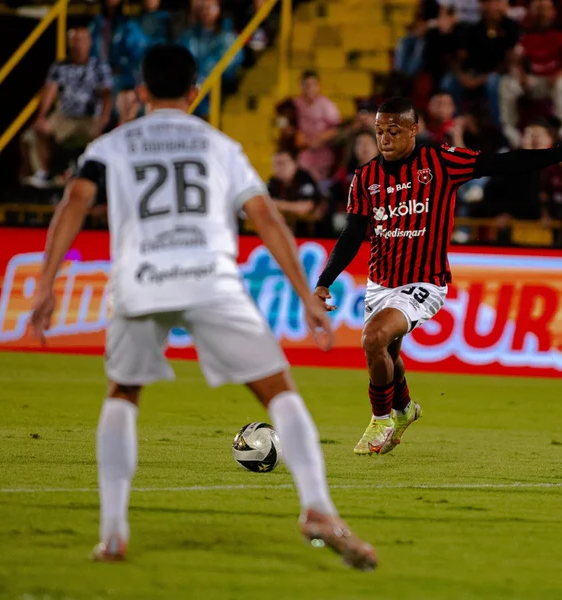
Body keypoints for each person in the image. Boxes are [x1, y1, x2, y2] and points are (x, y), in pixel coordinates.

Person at [27, 44, 377, 570]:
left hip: (140, 280)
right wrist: (307, 294)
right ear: (195, 92)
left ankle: (114, 535)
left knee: (123, 392)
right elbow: (265, 218)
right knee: (278, 389)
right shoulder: (220, 145)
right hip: (211, 280)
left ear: (141, 92)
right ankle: (318, 509)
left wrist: (45, 285)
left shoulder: (110, 145)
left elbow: (73, 202)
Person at [312, 96, 562, 454]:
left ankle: (381, 422)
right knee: (387, 354)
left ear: (414, 130)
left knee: (373, 339)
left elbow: (505, 163)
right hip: (380, 282)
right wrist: (323, 281)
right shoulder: (366, 178)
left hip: (424, 281)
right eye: (379, 132)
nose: (385, 139)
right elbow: (351, 234)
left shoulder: (439, 161)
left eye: (393, 131)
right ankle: (404, 409)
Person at [28, 26, 113, 189]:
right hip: (64, 116)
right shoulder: (59, 66)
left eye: (82, 40)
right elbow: (50, 92)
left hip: (89, 117)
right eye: (75, 41)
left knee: (102, 137)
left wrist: (104, 117)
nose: (79, 45)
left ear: (89, 43)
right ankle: (44, 174)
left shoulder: (99, 66)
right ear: (69, 43)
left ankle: (98, 177)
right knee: (36, 131)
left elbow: (107, 95)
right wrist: (41, 116)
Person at [499, 0, 562, 145]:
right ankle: (511, 132)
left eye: (546, 8)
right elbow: (515, 59)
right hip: (539, 81)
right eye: (538, 8)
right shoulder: (526, 32)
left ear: (554, 11)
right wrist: (520, 74)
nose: (542, 13)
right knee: (508, 83)